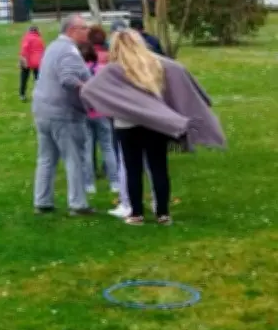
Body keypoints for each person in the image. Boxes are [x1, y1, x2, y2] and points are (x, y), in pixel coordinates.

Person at [81, 29, 226, 225]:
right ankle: (163, 213)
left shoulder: (113, 70)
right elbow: (179, 72)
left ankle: (136, 214)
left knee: (133, 169)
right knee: (158, 167)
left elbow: (89, 90)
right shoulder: (156, 65)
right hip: (156, 124)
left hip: (127, 126)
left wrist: (110, 105)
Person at [31, 14, 94, 216]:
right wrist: (91, 90)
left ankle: (42, 200)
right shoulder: (69, 51)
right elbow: (68, 79)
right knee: (74, 158)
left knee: (46, 158)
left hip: (43, 110)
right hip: (63, 113)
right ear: (72, 30)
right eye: (84, 27)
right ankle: (78, 203)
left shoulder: (52, 47)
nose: (87, 31)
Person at [76, 42, 119, 196]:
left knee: (87, 150)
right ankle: (114, 182)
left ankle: (89, 184)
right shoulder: (102, 70)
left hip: (85, 114)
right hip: (102, 114)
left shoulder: (79, 72)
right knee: (108, 147)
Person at [18, 25, 44, 101]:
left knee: (24, 79)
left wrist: (22, 59)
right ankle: (38, 95)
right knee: (37, 79)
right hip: (37, 62)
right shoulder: (39, 39)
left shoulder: (27, 38)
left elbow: (24, 49)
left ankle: (22, 94)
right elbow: (42, 50)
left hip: (27, 61)